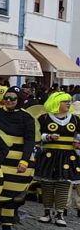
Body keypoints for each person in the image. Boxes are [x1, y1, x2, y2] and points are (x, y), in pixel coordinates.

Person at [0, 86, 37, 230]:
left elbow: (30, 141)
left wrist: (24, 161)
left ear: (19, 100)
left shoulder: (26, 117)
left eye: (13, 98)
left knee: (10, 194)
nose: (9, 101)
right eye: (6, 97)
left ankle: (7, 223)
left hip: (16, 162)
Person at [33, 91, 79, 226]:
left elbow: (78, 135)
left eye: (69, 101)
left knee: (64, 184)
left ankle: (60, 213)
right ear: (56, 103)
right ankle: (47, 212)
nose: (68, 103)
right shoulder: (44, 118)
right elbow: (36, 135)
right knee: (47, 185)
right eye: (65, 101)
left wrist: (77, 142)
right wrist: (48, 137)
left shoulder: (75, 119)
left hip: (68, 156)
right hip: (49, 155)